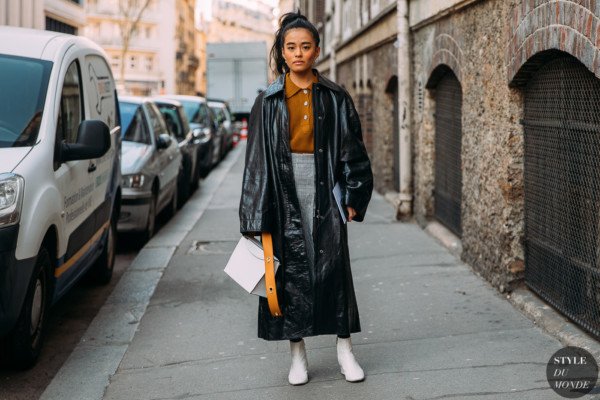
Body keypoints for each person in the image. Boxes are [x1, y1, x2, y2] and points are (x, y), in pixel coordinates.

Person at [238, 11, 373, 386]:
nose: (298, 53)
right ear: (282, 53)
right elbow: (256, 161)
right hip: (281, 191)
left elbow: (352, 149)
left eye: (305, 46)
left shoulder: (334, 97)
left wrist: (354, 194)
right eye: (290, 47)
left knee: (333, 268)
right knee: (289, 273)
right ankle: (297, 355)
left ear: (317, 51)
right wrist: (253, 215)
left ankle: (344, 350)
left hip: (326, 187)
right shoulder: (267, 101)